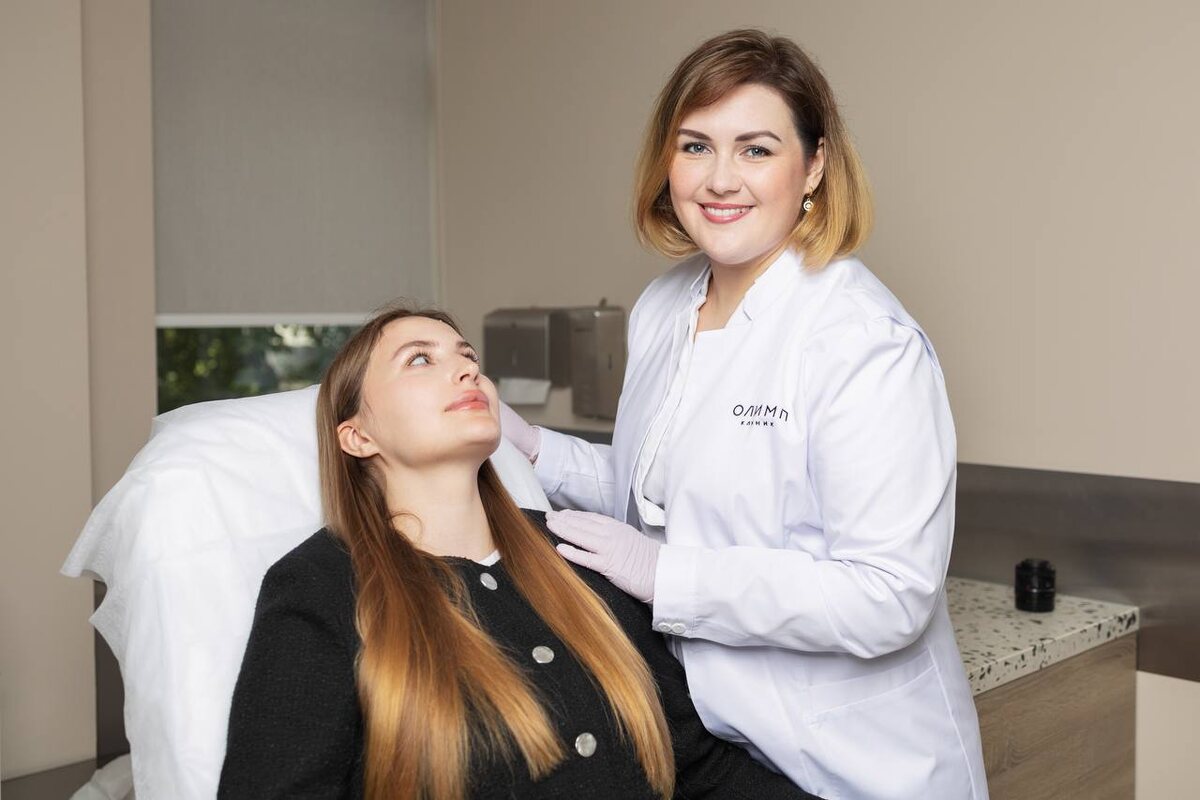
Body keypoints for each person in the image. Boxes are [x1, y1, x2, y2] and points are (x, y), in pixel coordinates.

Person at [500, 29, 989, 800]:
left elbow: (889, 593)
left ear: (814, 166)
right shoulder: (664, 307)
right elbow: (665, 495)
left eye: (756, 149)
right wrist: (534, 449)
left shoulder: (860, 338)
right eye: (696, 146)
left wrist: (667, 575)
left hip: (857, 766)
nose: (720, 179)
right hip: (719, 751)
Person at [217, 306, 823, 800]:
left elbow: (700, 769)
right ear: (358, 435)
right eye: (421, 359)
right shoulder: (320, 586)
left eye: (469, 359)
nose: (466, 371)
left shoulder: (576, 555)